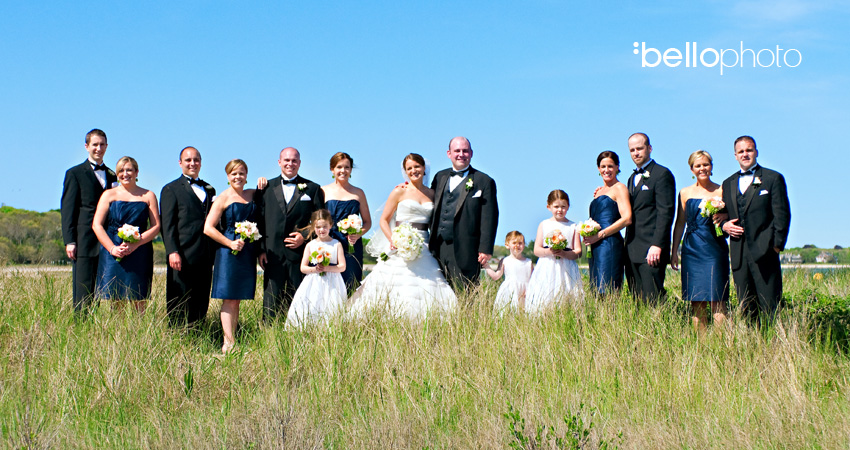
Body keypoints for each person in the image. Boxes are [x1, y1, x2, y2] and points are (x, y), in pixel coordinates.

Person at [351, 153, 457, 319]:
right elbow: (384, 220)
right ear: (405, 171)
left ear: (424, 168)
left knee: (429, 285)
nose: (414, 170)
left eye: (417, 166)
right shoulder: (399, 191)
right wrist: (393, 239)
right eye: (409, 168)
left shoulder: (432, 194)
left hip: (424, 245)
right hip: (400, 244)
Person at [721, 136, 791, 322]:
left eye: (749, 150)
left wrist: (776, 246)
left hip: (765, 251)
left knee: (770, 305)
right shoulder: (728, 183)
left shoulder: (772, 178)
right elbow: (722, 216)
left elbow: (782, 215)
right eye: (741, 151)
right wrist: (724, 226)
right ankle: (752, 346)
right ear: (735, 155)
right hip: (738, 253)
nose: (745, 154)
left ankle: (774, 346)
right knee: (746, 307)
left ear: (756, 152)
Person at [257, 147, 325, 321]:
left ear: (300, 163)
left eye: (294, 160)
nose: (290, 163)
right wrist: (261, 250)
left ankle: (297, 336)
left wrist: (305, 237)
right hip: (272, 254)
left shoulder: (313, 189)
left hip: (300, 255)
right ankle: (269, 336)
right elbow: (259, 221)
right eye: (286, 160)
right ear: (279, 162)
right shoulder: (265, 188)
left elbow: (320, 221)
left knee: (298, 298)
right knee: (271, 301)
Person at [429, 136, 499, 291]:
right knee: (438, 293)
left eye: (465, 151)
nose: (461, 154)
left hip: (467, 248)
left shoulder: (484, 181)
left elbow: (490, 217)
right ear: (449, 153)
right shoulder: (439, 177)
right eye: (457, 151)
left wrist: (485, 248)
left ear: (471, 153)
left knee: (465, 293)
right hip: (437, 246)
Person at [671, 150, 730, 332]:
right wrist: (674, 251)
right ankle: (702, 348)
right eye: (698, 165)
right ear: (692, 169)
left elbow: (733, 216)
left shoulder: (722, 190)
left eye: (706, 164)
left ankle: (722, 348)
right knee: (696, 302)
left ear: (711, 167)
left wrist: (726, 214)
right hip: (692, 250)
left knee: (717, 300)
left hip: (714, 248)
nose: (702, 168)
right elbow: (680, 223)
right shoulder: (684, 192)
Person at [92, 156, 160, 313]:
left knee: (138, 297)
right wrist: (112, 249)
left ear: (137, 172)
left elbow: (156, 226)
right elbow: (97, 225)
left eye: (129, 170)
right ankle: (120, 334)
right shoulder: (108, 195)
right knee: (116, 298)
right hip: (114, 251)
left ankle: (138, 334)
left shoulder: (148, 195)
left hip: (140, 251)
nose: (125, 173)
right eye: (121, 170)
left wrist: (136, 243)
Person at [205, 159, 259, 354]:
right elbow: (208, 228)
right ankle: (228, 343)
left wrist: (263, 182)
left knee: (237, 298)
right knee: (228, 297)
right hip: (228, 252)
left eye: (241, 173)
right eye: (234, 173)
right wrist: (229, 243)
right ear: (228, 176)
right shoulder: (223, 198)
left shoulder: (253, 194)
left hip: (247, 252)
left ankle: (233, 338)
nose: (238, 177)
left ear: (247, 175)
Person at [61, 128, 118, 313]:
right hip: (83, 240)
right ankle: (81, 328)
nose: (98, 148)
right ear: (86, 146)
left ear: (107, 147)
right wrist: (69, 241)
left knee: (102, 289)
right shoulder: (74, 173)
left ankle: (96, 331)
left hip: (107, 241)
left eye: (102, 145)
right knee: (83, 290)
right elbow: (68, 210)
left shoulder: (113, 175)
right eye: (95, 144)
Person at [159, 146, 216, 325]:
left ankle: (198, 333)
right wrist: (172, 251)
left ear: (201, 162)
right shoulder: (171, 189)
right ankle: (176, 336)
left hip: (205, 254)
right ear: (180, 163)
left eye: (196, 160)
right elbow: (167, 225)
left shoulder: (209, 189)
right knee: (178, 296)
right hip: (181, 253)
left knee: (201, 296)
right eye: (188, 160)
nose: (192, 163)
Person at [624, 132, 676, 303]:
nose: (636, 153)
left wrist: (657, 245)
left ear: (649, 148)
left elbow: (665, 213)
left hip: (651, 250)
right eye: (632, 150)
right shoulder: (631, 179)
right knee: (637, 301)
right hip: (631, 250)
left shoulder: (662, 174)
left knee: (652, 300)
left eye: (639, 148)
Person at [286, 209, 347, 328]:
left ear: (330, 225)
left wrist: (327, 268)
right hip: (314, 281)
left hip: (332, 282)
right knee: (313, 303)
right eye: (318, 227)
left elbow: (342, 267)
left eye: (325, 226)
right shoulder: (310, 245)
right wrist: (315, 269)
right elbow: (303, 267)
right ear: (314, 227)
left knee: (330, 305)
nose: (321, 230)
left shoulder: (336, 244)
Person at [525, 190, 583, 312]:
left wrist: (564, 253)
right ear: (549, 207)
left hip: (566, 267)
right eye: (556, 207)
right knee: (546, 295)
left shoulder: (573, 226)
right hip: (548, 265)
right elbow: (537, 249)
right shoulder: (544, 224)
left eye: (563, 207)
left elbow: (578, 252)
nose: (560, 210)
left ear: (568, 207)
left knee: (567, 293)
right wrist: (550, 252)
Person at [321, 152, 372, 292]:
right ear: (332, 169)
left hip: (351, 244)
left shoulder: (358, 193)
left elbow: (367, 222)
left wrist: (358, 234)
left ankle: (350, 312)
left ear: (351, 170)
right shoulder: (322, 191)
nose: (343, 171)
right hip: (329, 242)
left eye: (347, 167)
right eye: (339, 167)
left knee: (351, 281)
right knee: (328, 282)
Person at [584, 151, 632, 295]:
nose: (606, 170)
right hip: (595, 246)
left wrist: (600, 235)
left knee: (607, 290)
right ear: (598, 168)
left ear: (617, 167)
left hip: (609, 244)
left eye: (610, 166)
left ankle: (612, 318)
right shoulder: (599, 191)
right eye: (603, 166)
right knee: (596, 291)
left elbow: (627, 218)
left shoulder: (620, 188)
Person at [485, 231, 533, 312]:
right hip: (509, 291)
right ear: (507, 245)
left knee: (524, 313)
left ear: (524, 245)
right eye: (514, 243)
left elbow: (533, 279)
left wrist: (530, 290)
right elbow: (496, 276)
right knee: (509, 312)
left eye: (520, 243)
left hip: (525, 292)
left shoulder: (528, 262)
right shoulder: (505, 261)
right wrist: (486, 265)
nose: (517, 245)